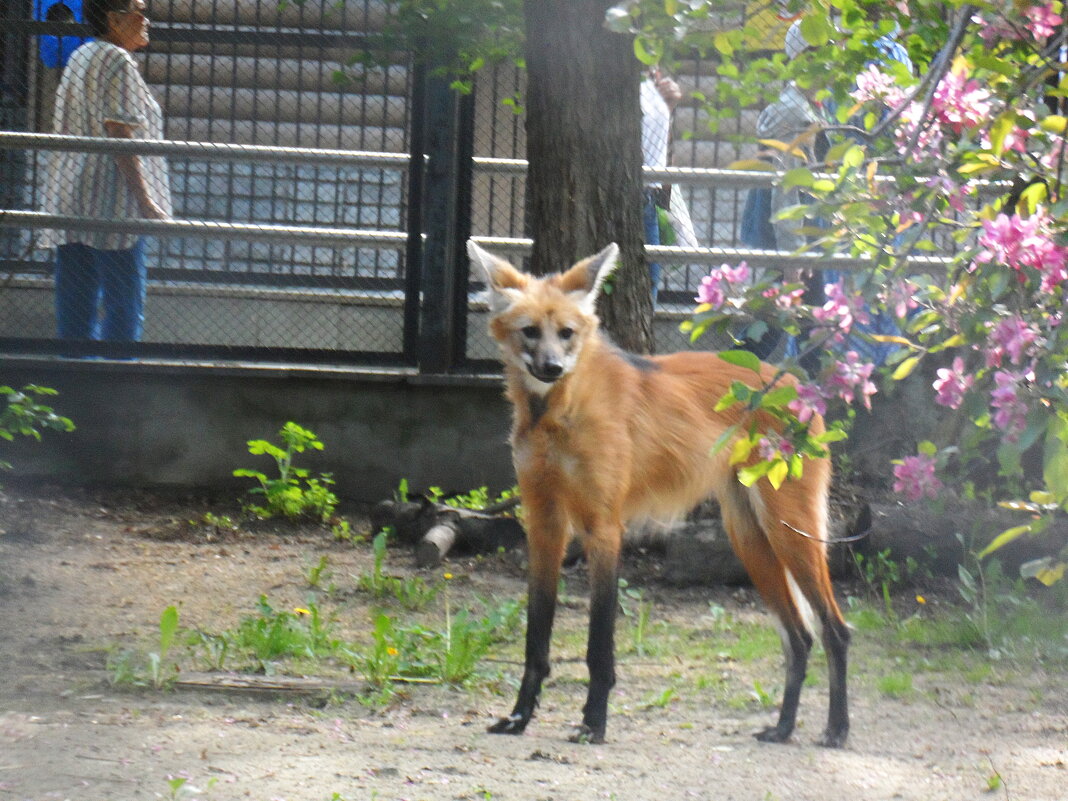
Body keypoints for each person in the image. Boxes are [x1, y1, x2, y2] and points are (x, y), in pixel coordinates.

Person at [40, 0, 171, 344]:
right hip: (114, 203)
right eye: (138, 11)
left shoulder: (82, 56)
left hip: (74, 198)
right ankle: (119, 385)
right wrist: (145, 201)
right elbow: (120, 132)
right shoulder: (118, 60)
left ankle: (77, 384)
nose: (145, 19)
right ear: (113, 20)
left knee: (76, 303)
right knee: (123, 305)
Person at [641, 67, 683, 303]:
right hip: (634, 194)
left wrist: (667, 108)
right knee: (648, 283)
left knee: (650, 282)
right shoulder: (627, 85)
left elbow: (662, 153)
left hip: (650, 197)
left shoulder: (652, 81)